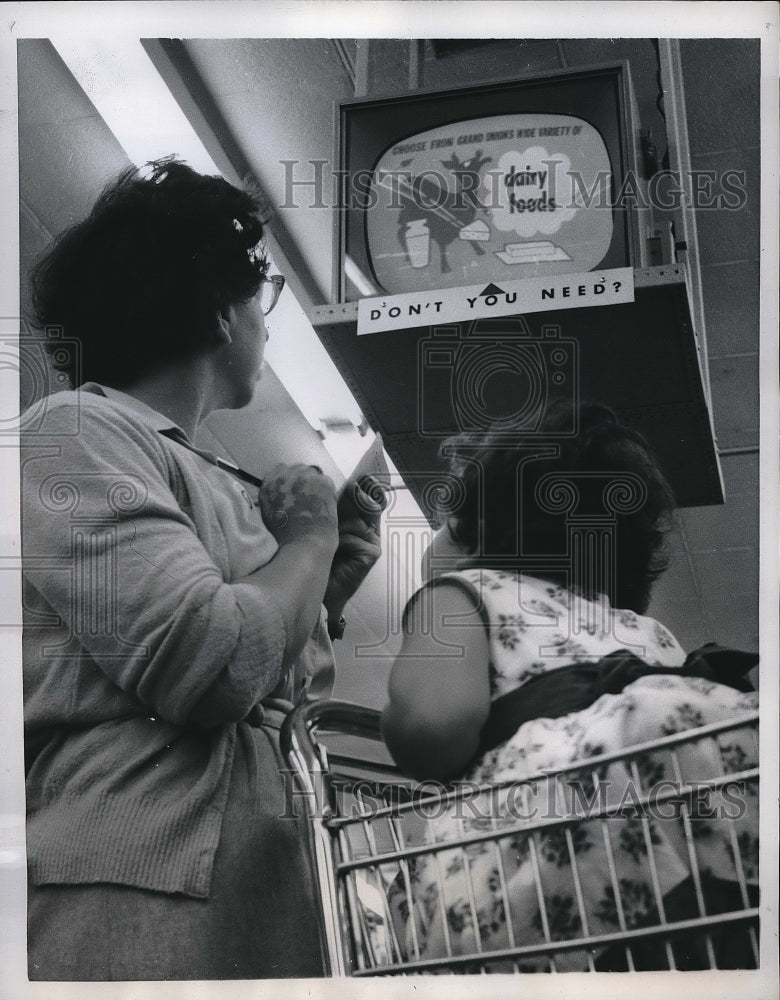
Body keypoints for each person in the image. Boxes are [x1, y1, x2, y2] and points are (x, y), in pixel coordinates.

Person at [21, 159, 382, 980]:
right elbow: (208, 660)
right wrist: (306, 547)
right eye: (264, 298)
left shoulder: (204, 470)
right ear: (221, 312)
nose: (264, 320)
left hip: (265, 879)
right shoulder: (71, 431)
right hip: (142, 882)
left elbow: (263, 676)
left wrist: (317, 593)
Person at [381, 403, 759, 972]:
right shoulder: (644, 631)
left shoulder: (463, 593)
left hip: (526, 877)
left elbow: (431, 728)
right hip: (695, 866)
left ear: (473, 530)